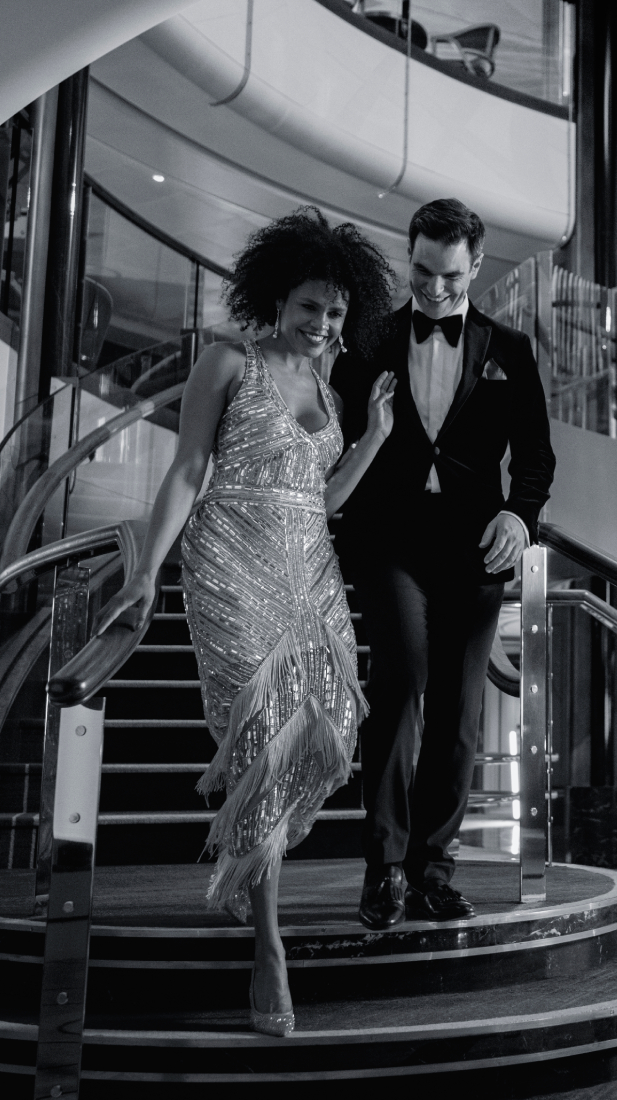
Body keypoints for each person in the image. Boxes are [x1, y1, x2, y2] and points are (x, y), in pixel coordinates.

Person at [97, 207, 400, 1036]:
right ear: (276, 298)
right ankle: (269, 946)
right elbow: (188, 467)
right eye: (309, 306)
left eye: (335, 311)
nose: (322, 323)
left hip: (310, 566)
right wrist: (146, 569)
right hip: (230, 555)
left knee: (332, 722)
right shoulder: (228, 361)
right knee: (264, 734)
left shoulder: (331, 392)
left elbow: (322, 501)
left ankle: (249, 859)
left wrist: (373, 436)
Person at [331, 199, 555, 931]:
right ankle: (384, 868)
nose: (432, 289)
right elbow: (333, 438)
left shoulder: (510, 349)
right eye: (422, 272)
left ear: (477, 266)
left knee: (459, 712)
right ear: (411, 255)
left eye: (449, 277)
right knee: (400, 682)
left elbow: (536, 457)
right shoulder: (370, 339)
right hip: (389, 540)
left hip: (475, 546)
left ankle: (433, 869)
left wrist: (519, 516)